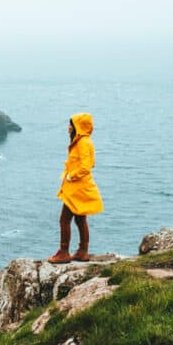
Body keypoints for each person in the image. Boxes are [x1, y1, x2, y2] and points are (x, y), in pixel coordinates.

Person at [48, 112, 103, 263]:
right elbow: (90, 163)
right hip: (79, 187)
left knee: (64, 220)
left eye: (70, 125)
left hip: (77, 188)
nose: (68, 128)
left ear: (77, 127)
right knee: (80, 219)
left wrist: (71, 176)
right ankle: (82, 251)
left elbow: (86, 166)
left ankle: (64, 252)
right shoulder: (83, 141)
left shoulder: (83, 142)